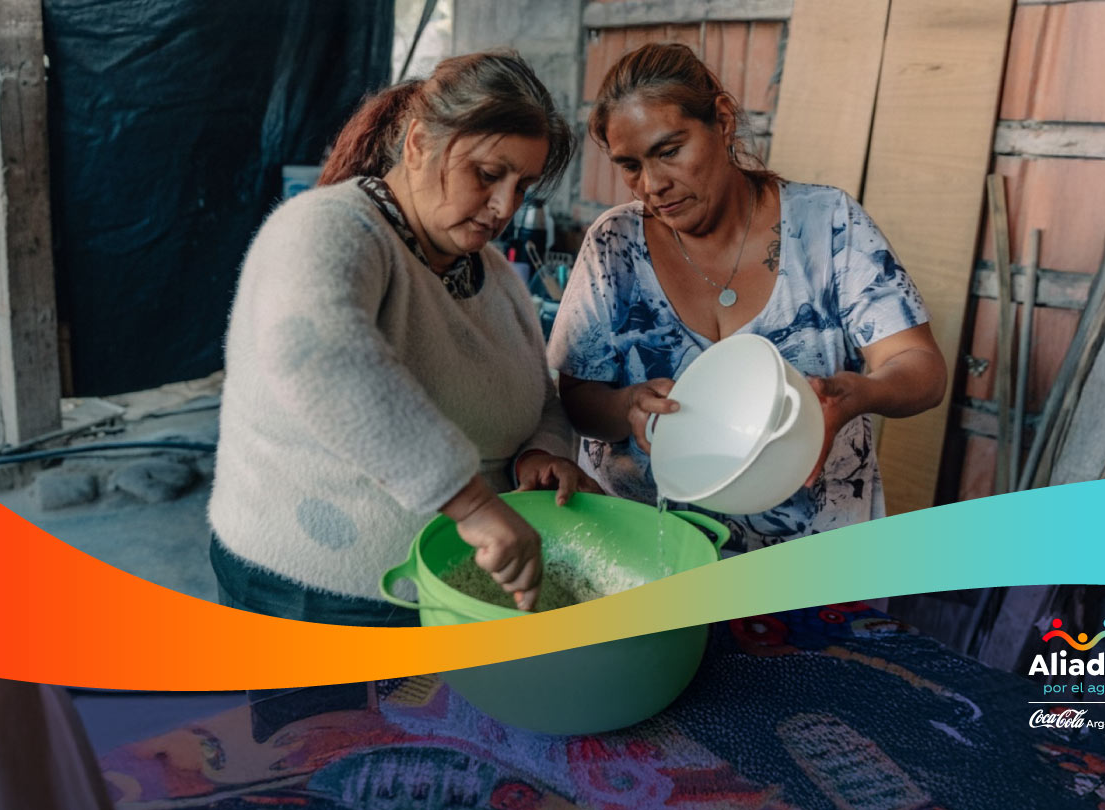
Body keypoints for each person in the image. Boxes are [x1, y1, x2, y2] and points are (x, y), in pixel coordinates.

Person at [208, 51, 598, 627]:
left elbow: (538, 394)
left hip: (449, 588)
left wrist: (541, 451)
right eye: (488, 175)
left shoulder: (492, 274)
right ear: (417, 144)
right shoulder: (330, 227)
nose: (504, 208)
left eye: (523, 188)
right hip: (314, 593)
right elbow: (320, 359)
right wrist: (472, 505)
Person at [548, 43, 947, 551]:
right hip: (644, 550)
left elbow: (920, 367)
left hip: (808, 563)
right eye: (630, 165)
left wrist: (854, 394)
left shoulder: (828, 226)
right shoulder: (615, 247)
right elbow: (578, 401)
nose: (652, 185)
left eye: (670, 151)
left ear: (722, 120)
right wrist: (628, 406)